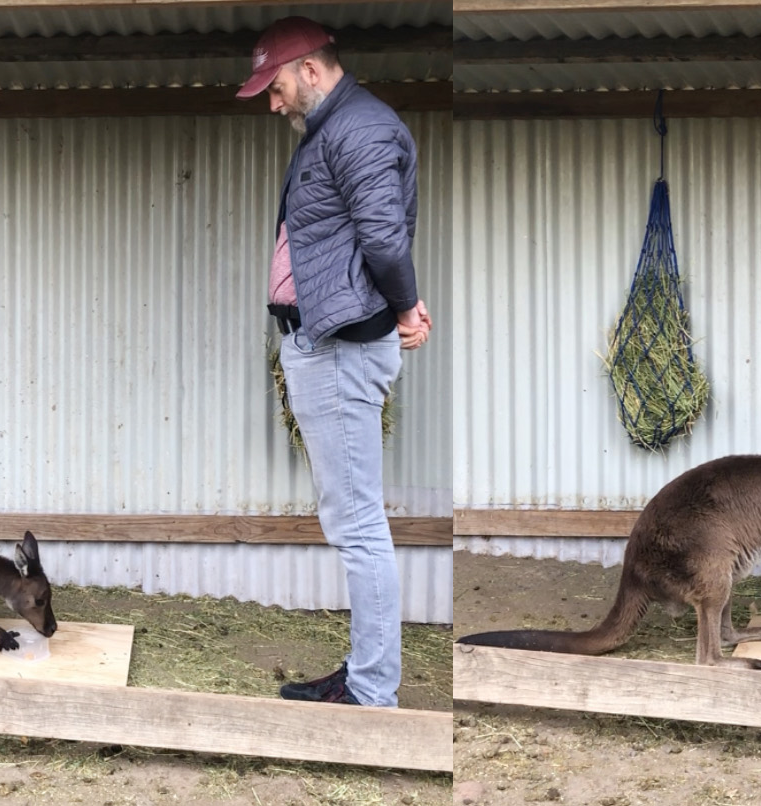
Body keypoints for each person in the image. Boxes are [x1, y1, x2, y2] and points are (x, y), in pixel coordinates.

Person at [237, 16, 432, 707]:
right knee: (350, 520)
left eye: (278, 86)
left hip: (344, 349)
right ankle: (363, 671)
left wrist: (407, 307)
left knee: (357, 526)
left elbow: (383, 235)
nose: (273, 101)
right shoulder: (336, 130)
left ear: (312, 71)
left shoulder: (362, 129)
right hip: (323, 344)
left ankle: (373, 690)